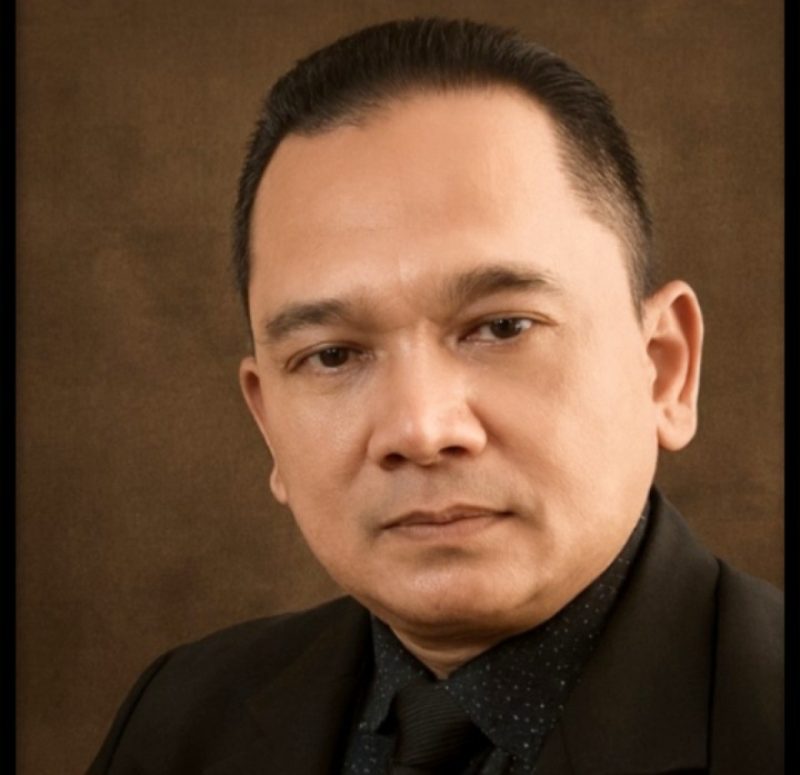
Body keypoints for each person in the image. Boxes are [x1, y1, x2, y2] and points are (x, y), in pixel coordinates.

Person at [87, 17, 783, 775]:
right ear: (268, 423)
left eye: (502, 327)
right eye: (332, 355)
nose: (420, 429)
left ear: (665, 367)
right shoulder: (180, 720)